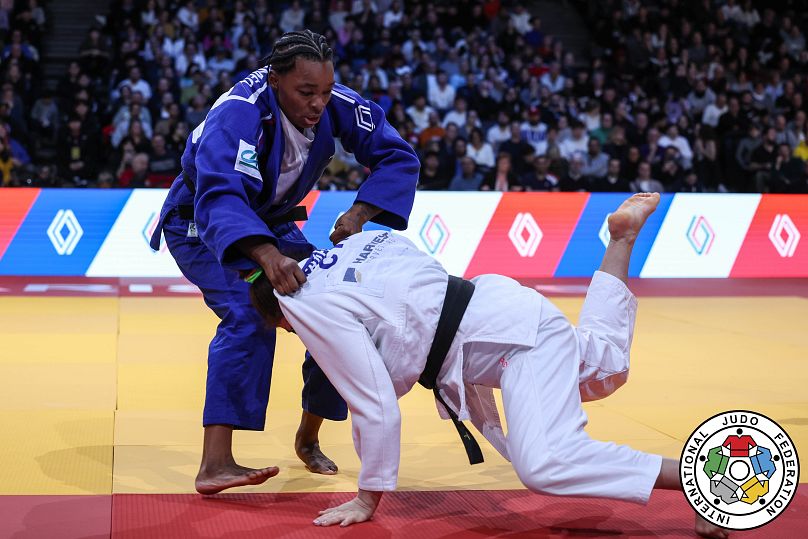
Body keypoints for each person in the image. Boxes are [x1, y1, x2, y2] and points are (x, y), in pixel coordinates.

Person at [247, 193, 726, 539]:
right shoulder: (350, 248)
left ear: (281, 315)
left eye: (287, 331)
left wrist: (367, 497)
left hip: (509, 343)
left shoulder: (305, 306)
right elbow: (414, 303)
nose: (298, 336)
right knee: (601, 370)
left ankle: (699, 478)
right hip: (500, 307)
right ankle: (620, 239)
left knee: (545, 464)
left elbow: (374, 401)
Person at [149, 30, 419, 495]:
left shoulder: (335, 103)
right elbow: (219, 194)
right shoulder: (237, 112)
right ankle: (215, 463)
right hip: (202, 221)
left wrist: (359, 213)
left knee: (335, 308)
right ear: (275, 80)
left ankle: (308, 437)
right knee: (247, 312)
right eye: (306, 92)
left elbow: (397, 156)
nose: (318, 103)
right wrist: (265, 254)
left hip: (270, 220)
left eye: (325, 91)